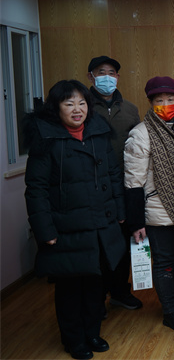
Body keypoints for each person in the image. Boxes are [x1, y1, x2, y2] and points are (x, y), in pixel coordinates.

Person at [24, 80, 126, 360]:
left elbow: (113, 174)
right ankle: (73, 340)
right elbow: (36, 189)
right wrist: (45, 230)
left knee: (95, 285)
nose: (77, 109)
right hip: (66, 228)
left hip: (100, 224)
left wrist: (120, 212)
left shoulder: (98, 132)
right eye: (69, 103)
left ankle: (92, 333)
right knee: (70, 289)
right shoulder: (46, 138)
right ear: (56, 108)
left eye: (82, 103)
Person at [124, 76, 174, 332]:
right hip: (158, 211)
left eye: (170, 98)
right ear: (150, 102)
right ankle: (170, 312)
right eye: (159, 100)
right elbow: (133, 182)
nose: (165, 104)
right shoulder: (140, 133)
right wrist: (136, 223)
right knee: (165, 263)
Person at [86, 55, 142, 312]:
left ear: (118, 77)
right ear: (91, 76)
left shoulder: (130, 109)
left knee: (123, 242)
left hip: (124, 184)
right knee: (97, 245)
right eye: (101, 72)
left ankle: (120, 291)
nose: (107, 77)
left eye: (111, 73)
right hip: (93, 186)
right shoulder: (83, 106)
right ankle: (96, 298)